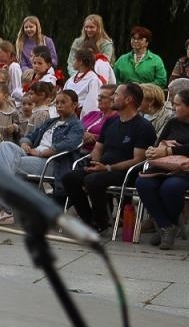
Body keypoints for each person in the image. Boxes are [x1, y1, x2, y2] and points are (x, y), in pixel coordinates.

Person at [0, 90, 86, 226]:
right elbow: (30, 135)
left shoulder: (76, 125)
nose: (59, 106)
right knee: (6, 146)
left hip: (51, 163)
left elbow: (69, 144)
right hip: (32, 156)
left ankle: (2, 206)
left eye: (63, 102)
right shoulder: (51, 122)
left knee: (5, 164)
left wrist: (42, 153)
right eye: (57, 103)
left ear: (75, 104)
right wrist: (25, 143)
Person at [61, 82, 154, 231]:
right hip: (103, 167)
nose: (112, 98)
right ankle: (88, 219)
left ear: (128, 100)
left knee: (93, 180)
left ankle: (100, 221)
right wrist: (95, 163)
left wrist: (108, 168)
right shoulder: (111, 122)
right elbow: (98, 148)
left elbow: (138, 159)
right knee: (69, 178)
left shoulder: (143, 127)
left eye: (116, 95)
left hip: (125, 172)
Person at [136, 87, 189, 250]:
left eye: (177, 105)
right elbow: (160, 142)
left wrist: (171, 150)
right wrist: (153, 151)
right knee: (143, 183)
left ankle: (164, 226)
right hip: (165, 165)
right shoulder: (173, 122)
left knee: (171, 187)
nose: (173, 108)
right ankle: (166, 225)